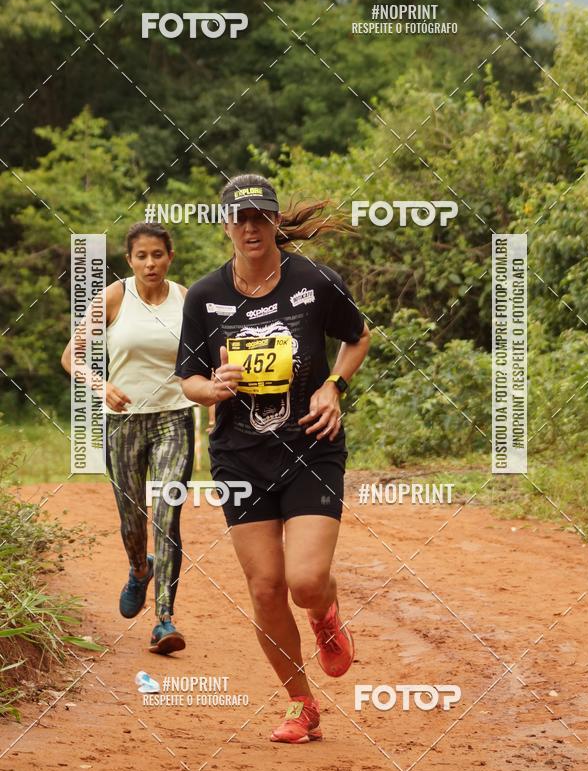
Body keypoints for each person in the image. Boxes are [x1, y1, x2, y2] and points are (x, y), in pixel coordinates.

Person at [176, 174, 370, 742]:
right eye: (240, 218)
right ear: (226, 225)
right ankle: (301, 704)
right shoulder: (204, 295)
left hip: (311, 444)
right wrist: (210, 388)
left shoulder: (313, 281)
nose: (251, 227)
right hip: (240, 454)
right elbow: (186, 377)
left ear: (275, 222)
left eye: (261, 217)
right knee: (265, 588)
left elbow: (358, 337)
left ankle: (324, 614)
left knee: (305, 582)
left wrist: (333, 384)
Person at [61, 222, 194, 655]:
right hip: (123, 423)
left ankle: (164, 620)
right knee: (132, 518)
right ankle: (140, 569)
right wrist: (101, 386)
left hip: (174, 417)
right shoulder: (115, 297)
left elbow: (207, 360)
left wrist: (214, 408)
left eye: (158, 254)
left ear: (170, 256)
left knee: (166, 514)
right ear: (130, 260)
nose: (150, 263)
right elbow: (71, 356)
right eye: (142, 256)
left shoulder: (186, 299)